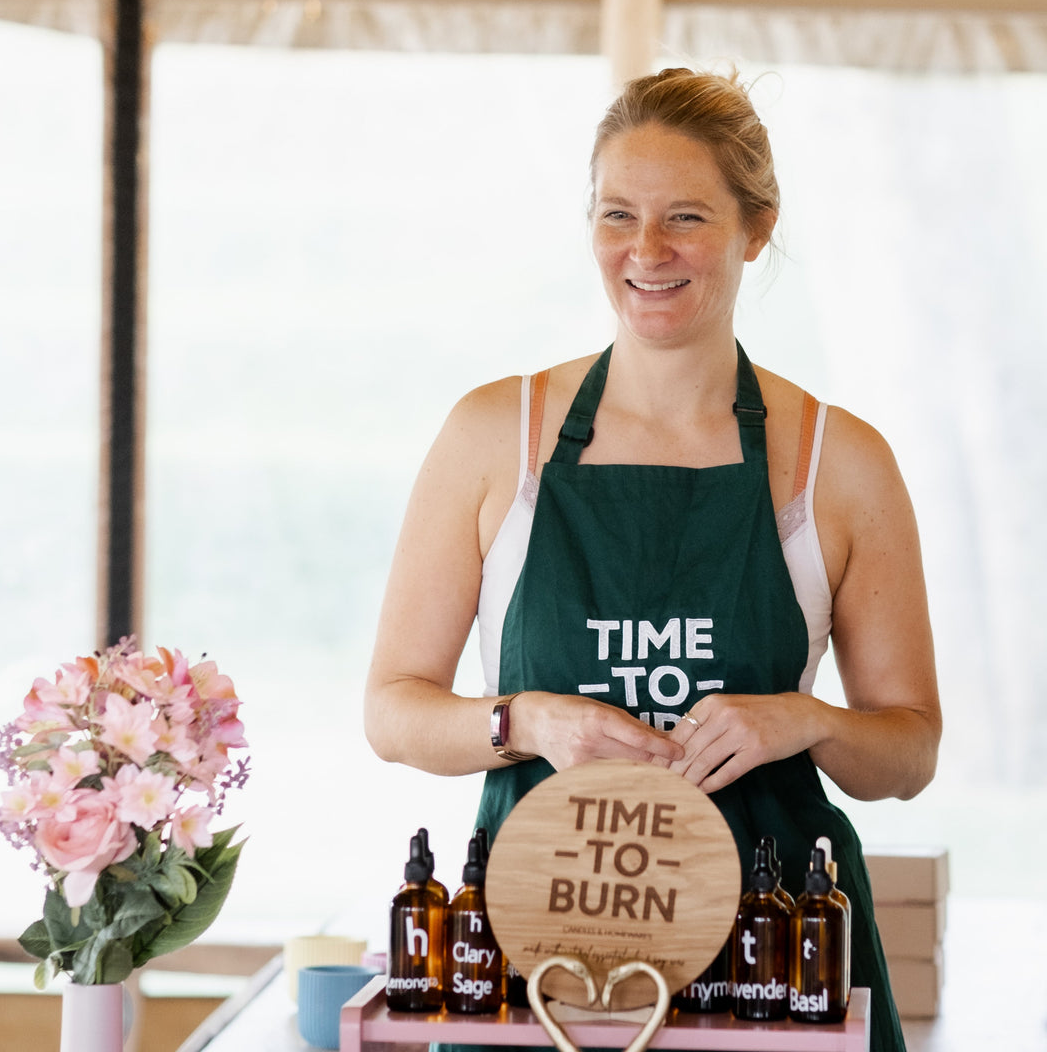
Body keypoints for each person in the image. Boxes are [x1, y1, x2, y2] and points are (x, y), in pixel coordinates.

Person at [365, 67, 941, 1052]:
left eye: (687, 217)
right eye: (617, 214)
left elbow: (908, 753)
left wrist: (804, 719)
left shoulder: (838, 463)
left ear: (757, 230)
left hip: (773, 958)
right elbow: (393, 710)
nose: (647, 250)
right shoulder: (494, 436)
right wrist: (525, 717)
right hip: (545, 948)